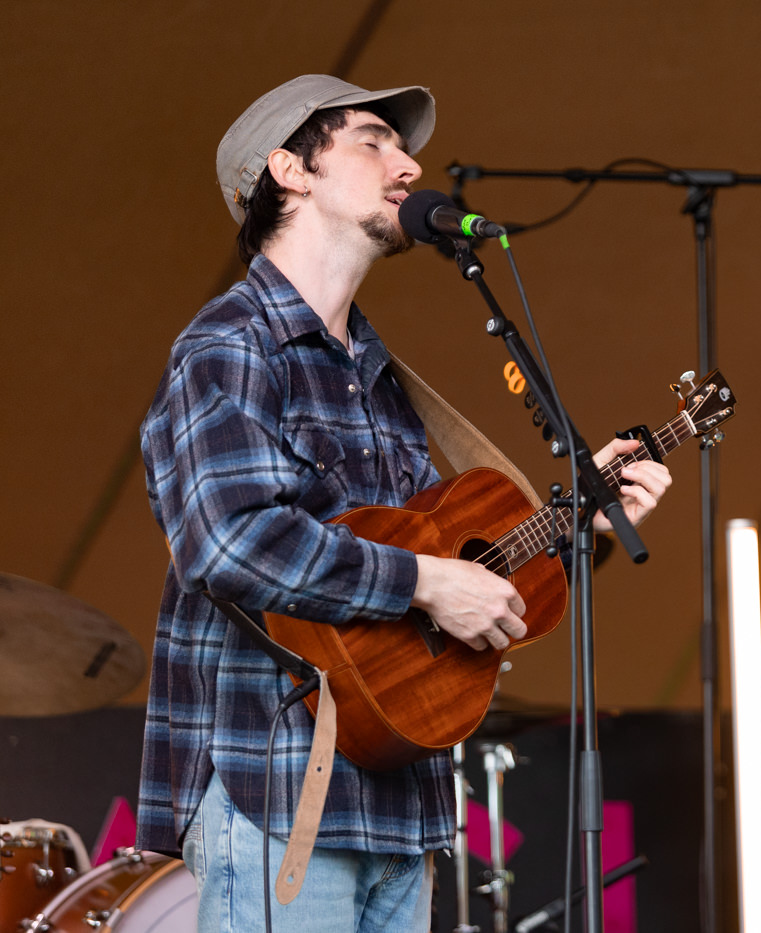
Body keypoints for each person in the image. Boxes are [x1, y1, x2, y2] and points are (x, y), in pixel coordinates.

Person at [136, 74, 671, 932]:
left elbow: (453, 574)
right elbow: (229, 541)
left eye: (402, 145)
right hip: (278, 790)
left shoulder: (380, 374)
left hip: (402, 806)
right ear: (290, 170)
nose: (409, 164)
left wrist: (582, 524)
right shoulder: (229, 345)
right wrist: (424, 582)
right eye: (372, 140)